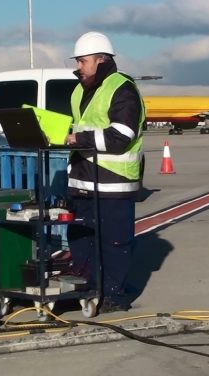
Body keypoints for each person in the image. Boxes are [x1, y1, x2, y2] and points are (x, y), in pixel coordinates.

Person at [63, 31, 145, 314]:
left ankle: (113, 294)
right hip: (83, 180)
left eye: (83, 62)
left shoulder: (122, 88)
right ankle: (86, 287)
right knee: (81, 238)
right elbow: (79, 128)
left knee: (113, 242)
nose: (78, 67)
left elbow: (121, 135)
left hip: (113, 182)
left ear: (101, 60)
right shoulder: (78, 90)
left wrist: (78, 140)